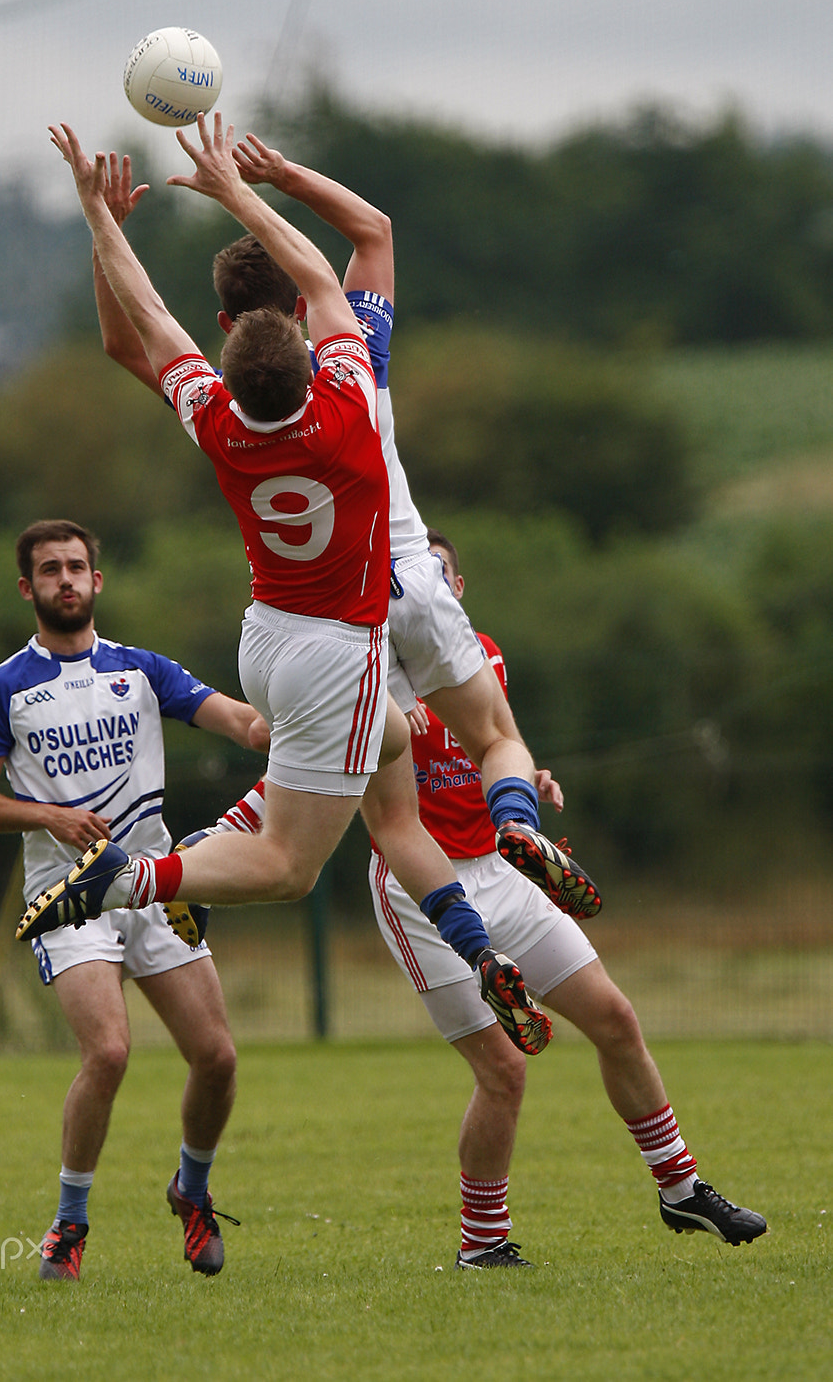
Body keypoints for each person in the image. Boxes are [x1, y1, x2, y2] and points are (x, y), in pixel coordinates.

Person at [21, 118, 544, 1051]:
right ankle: (137, 878)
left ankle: (468, 936)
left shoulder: (216, 422)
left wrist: (100, 216)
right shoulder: (349, 398)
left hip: (267, 635)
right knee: (290, 866)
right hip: (354, 635)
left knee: (394, 753)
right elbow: (333, 265)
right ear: (308, 348)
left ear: (225, 357)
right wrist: (233, 186)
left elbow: (149, 320)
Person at [196, 531, 768, 1267]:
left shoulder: (479, 658)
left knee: (617, 1020)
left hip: (501, 871)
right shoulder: (358, 674)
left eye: (433, 576)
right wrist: (217, 838)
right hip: (420, 891)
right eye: (402, 580)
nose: (415, 591)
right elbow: (290, 776)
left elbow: (496, 745)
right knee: (505, 1068)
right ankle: (482, 1245)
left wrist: (532, 783)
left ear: (453, 593)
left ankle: (681, 1188)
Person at [0, 519, 265, 1280]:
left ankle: (191, 1193)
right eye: (50, 570)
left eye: (77, 567)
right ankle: (70, 1222)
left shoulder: (142, 670)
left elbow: (243, 722)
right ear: (28, 589)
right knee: (110, 1051)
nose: (66, 580)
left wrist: (305, 713)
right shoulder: (2, 689)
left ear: (98, 581)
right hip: (68, 897)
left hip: (156, 888)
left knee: (218, 1057)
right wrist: (50, 816)